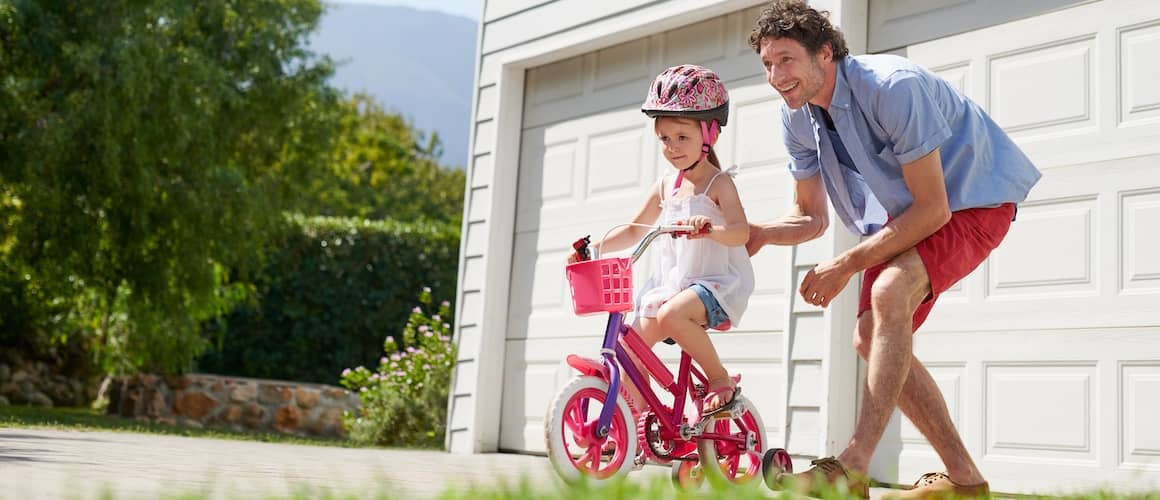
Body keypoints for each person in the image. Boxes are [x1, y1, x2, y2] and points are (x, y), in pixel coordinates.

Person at [744, 1, 1041, 498]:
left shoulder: (891, 88)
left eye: (787, 60)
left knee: (890, 293)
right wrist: (759, 232)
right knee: (867, 336)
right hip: (911, 213)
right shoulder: (796, 119)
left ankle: (853, 464)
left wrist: (845, 264)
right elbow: (811, 216)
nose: (776, 76)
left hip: (974, 198)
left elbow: (933, 210)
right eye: (767, 65)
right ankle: (966, 481)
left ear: (824, 54)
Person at [572, 64, 755, 419]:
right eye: (664, 139)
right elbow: (634, 229)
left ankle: (720, 380)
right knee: (630, 346)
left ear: (710, 133)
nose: (672, 148)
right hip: (673, 286)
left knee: (672, 314)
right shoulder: (664, 187)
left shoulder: (718, 184)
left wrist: (709, 230)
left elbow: (740, 233)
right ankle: (632, 418)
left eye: (681, 137)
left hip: (715, 286)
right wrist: (593, 249)